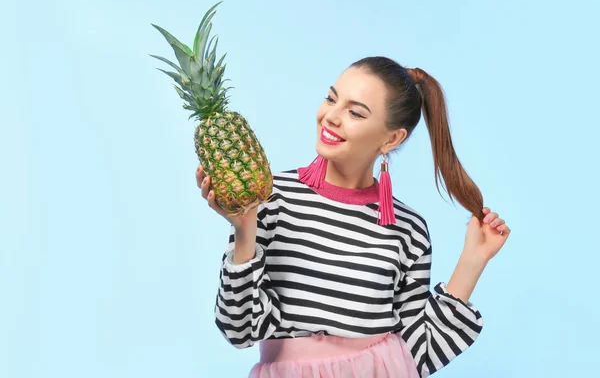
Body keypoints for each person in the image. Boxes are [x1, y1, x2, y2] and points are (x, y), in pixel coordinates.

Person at [196, 56, 511, 377]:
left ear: (392, 139)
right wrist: (245, 228)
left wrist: (474, 259)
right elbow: (238, 330)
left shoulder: (408, 229)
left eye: (355, 112)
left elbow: (418, 355)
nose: (331, 117)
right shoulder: (269, 197)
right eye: (331, 98)